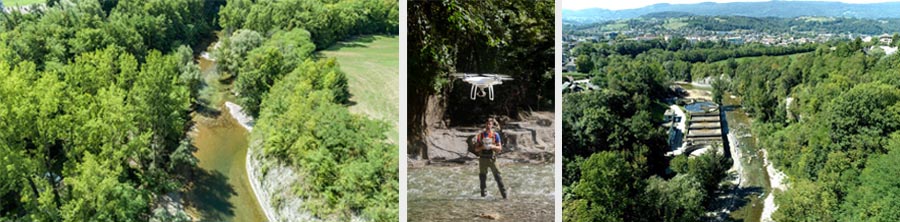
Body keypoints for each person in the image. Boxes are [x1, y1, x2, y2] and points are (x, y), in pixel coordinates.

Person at [474, 117, 507, 199]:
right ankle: (483, 197)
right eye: (487, 124)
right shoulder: (480, 135)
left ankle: (505, 196)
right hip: (482, 159)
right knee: (482, 178)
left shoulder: (496, 135)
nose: (488, 125)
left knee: (498, 177)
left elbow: (499, 148)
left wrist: (492, 146)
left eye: (490, 124)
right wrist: (483, 147)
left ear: (492, 125)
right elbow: (476, 149)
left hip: (492, 158)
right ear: (485, 124)